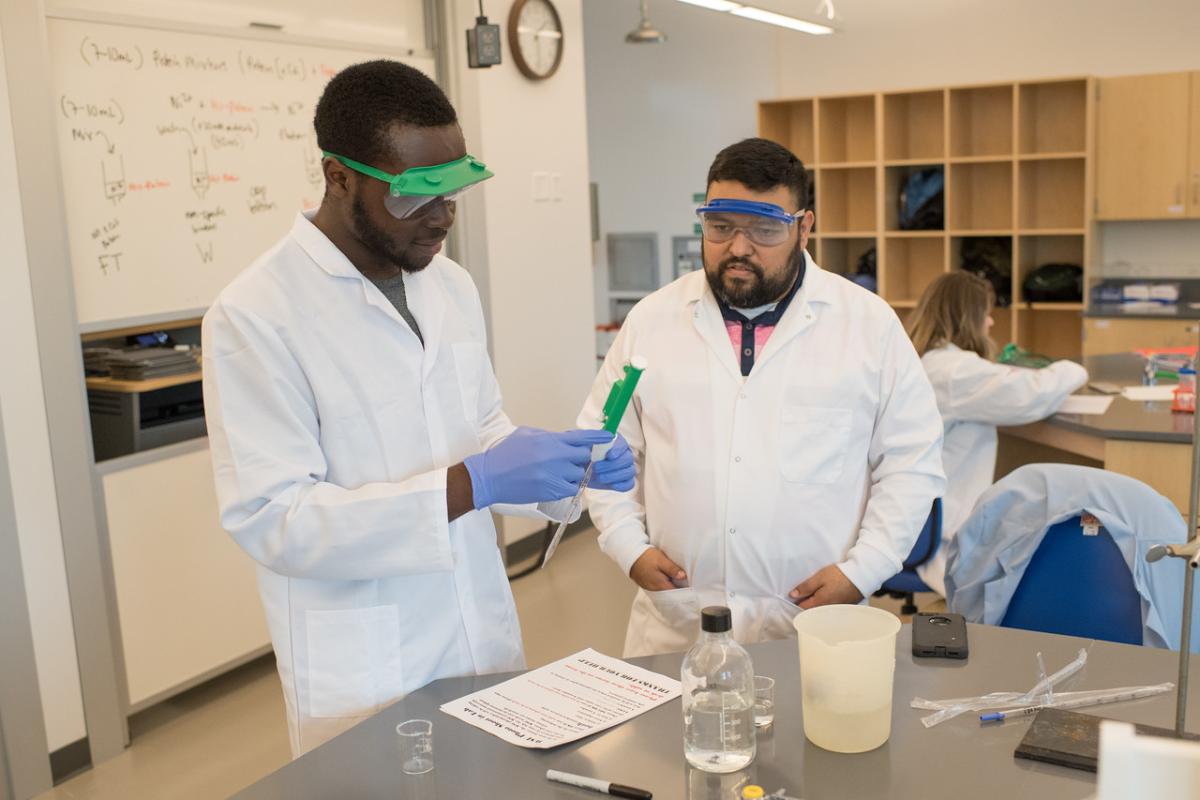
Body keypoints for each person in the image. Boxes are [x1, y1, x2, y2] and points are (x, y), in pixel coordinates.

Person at [202, 60, 634, 756]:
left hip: (478, 629)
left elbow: (481, 428)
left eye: (453, 193)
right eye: (415, 196)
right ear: (338, 176)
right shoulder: (255, 316)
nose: (440, 219)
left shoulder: (448, 284)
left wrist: (561, 462)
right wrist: (475, 484)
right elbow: (276, 521)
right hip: (368, 660)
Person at [579, 138, 946, 657]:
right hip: (677, 618)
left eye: (765, 228)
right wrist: (627, 547)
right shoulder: (651, 322)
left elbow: (912, 465)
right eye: (720, 226)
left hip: (813, 619)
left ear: (804, 226)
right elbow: (603, 446)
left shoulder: (868, 327)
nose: (738, 247)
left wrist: (861, 572)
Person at [907, 271, 1088, 596]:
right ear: (968, 318)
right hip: (938, 539)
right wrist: (1075, 368)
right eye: (986, 314)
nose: (990, 323)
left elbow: (997, 383)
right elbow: (1032, 394)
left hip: (919, 520)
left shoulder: (927, 361)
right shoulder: (953, 371)